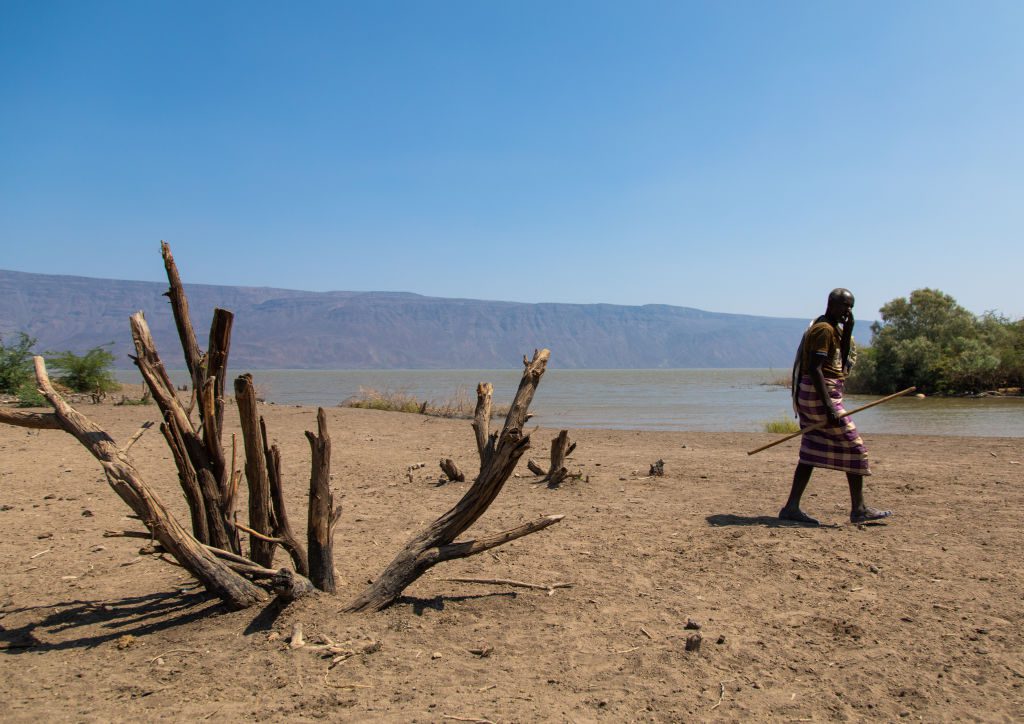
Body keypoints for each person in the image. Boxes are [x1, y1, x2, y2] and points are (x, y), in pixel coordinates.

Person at [779, 288, 893, 526]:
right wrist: (829, 407)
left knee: (811, 448)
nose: (848, 311)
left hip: (820, 395)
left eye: (851, 307)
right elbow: (815, 369)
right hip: (819, 396)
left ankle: (791, 507)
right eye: (844, 306)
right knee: (855, 446)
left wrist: (849, 329)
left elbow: (840, 358)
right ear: (831, 304)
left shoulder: (833, 329)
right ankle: (859, 509)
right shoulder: (823, 329)